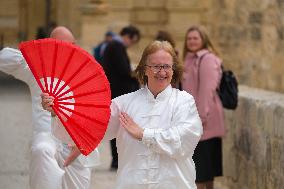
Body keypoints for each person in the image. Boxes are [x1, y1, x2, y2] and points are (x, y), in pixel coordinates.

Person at [42, 40, 203, 188]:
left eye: (166, 66)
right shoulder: (123, 104)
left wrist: (143, 134)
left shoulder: (184, 102)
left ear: (173, 70)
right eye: (156, 66)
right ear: (144, 69)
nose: (162, 72)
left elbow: (183, 141)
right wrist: (57, 111)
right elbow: (91, 127)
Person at [0, 26, 99, 189]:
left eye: (68, 46)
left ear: (75, 45)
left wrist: (83, 140)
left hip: (75, 140)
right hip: (46, 135)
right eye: (57, 46)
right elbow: (5, 58)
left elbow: (95, 113)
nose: (64, 51)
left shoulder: (85, 73)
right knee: (41, 150)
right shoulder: (37, 67)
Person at [181, 25, 225, 189]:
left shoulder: (207, 59)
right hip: (195, 120)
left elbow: (207, 90)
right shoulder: (190, 59)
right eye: (189, 38)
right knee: (203, 170)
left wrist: (201, 118)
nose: (192, 41)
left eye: (195, 38)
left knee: (201, 171)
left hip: (205, 121)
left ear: (203, 40)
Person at [101, 25, 141, 170]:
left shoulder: (113, 45)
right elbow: (123, 70)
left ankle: (117, 159)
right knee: (118, 127)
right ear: (128, 36)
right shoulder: (117, 46)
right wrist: (134, 75)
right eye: (132, 40)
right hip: (118, 92)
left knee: (116, 126)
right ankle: (117, 160)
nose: (131, 44)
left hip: (114, 91)